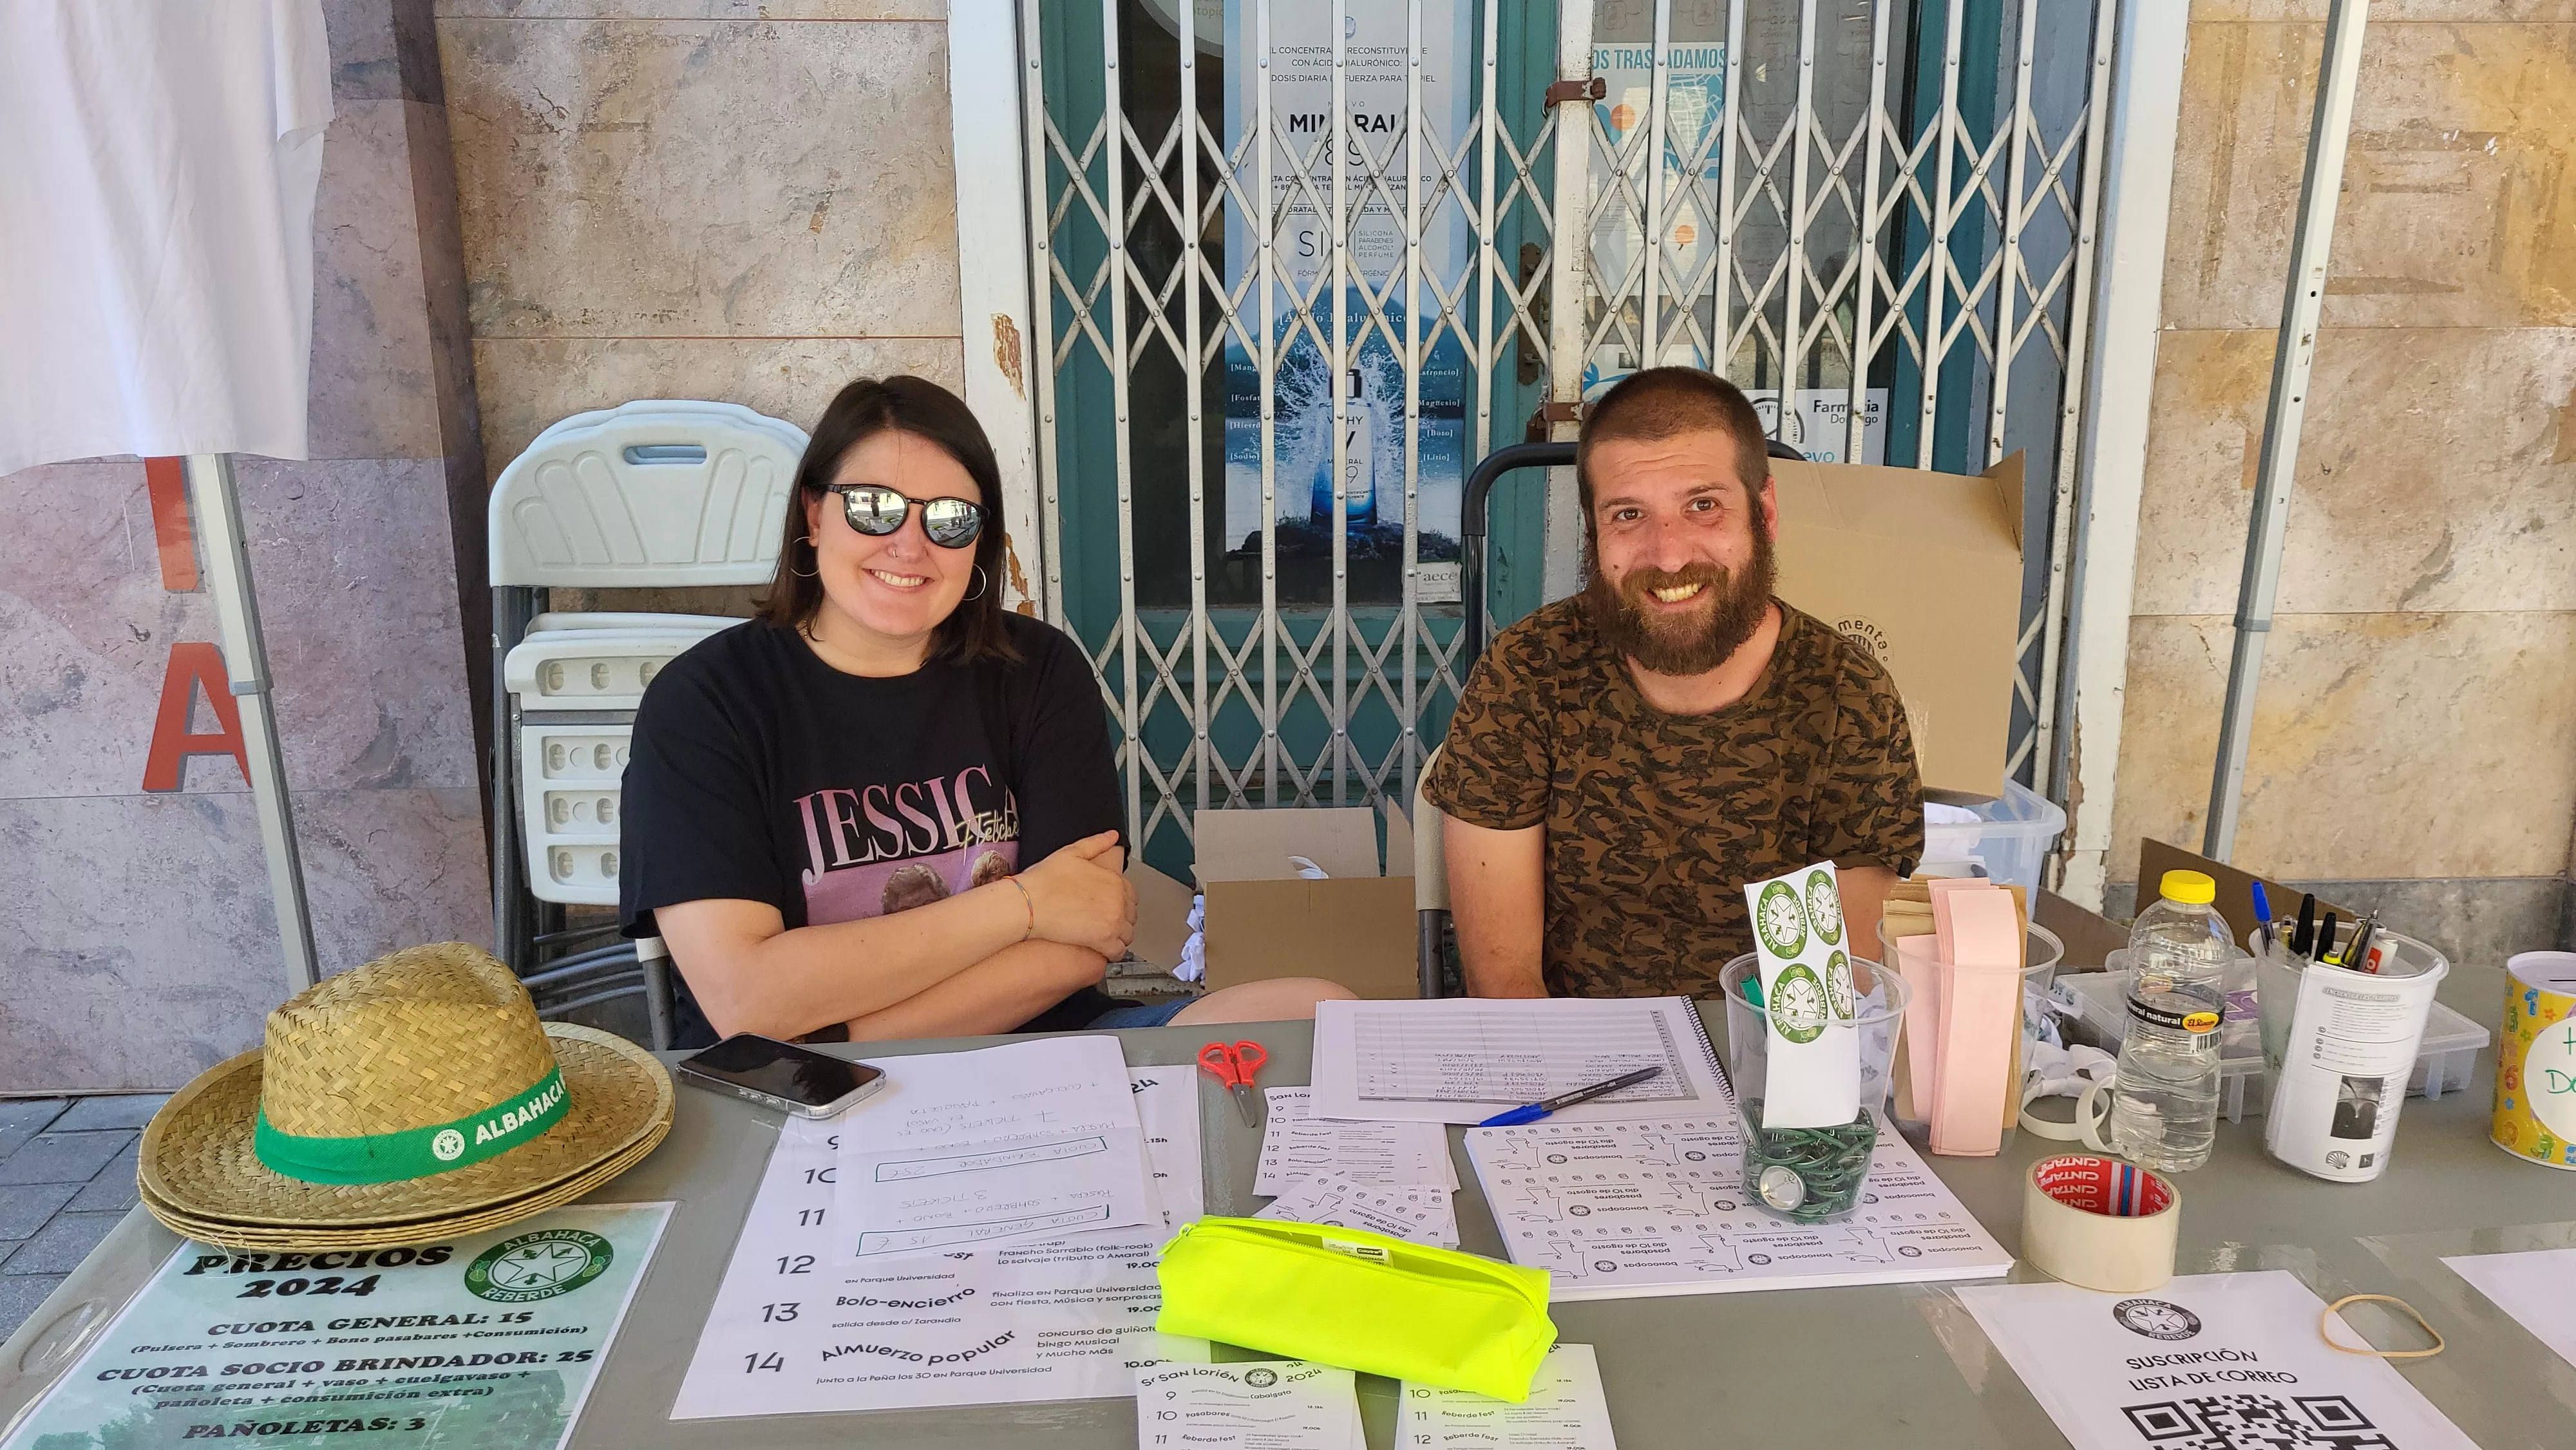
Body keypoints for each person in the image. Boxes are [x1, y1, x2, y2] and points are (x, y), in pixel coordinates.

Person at [620, 375, 1353, 1046]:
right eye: (873, 507)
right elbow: (747, 1002)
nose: (909, 544)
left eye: (949, 518)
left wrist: (836, 1026)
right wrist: (1027, 903)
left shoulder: (1034, 671)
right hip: (808, 1091)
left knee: (1318, 1011)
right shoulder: (707, 703)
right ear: (813, 515)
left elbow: (1084, 937)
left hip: (1036, 1048)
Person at [1426, 367, 1923, 1000]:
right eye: (1628, 513)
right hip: (1568, 1059)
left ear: (1763, 514)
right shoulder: (1526, 675)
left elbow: (1836, 989)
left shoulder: (1848, 701)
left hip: (1767, 1059)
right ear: (1595, 534)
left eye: (1702, 505)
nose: (1667, 555)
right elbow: (1504, 978)